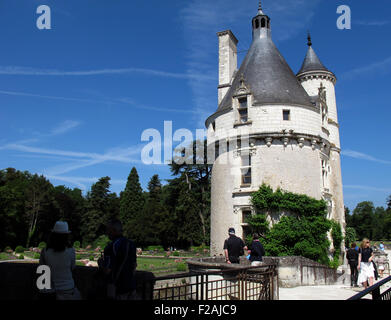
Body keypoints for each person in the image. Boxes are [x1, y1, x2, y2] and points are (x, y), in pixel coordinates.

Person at [39, 221, 81, 300]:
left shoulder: (45, 251)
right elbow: (72, 268)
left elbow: (42, 270)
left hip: (49, 291)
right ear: (66, 236)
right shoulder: (71, 251)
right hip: (68, 290)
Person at [98, 219, 137, 300]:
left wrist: (100, 263)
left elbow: (107, 271)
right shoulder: (131, 244)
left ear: (113, 230)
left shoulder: (111, 246)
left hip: (118, 288)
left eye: (108, 230)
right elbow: (134, 266)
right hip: (131, 286)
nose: (107, 232)